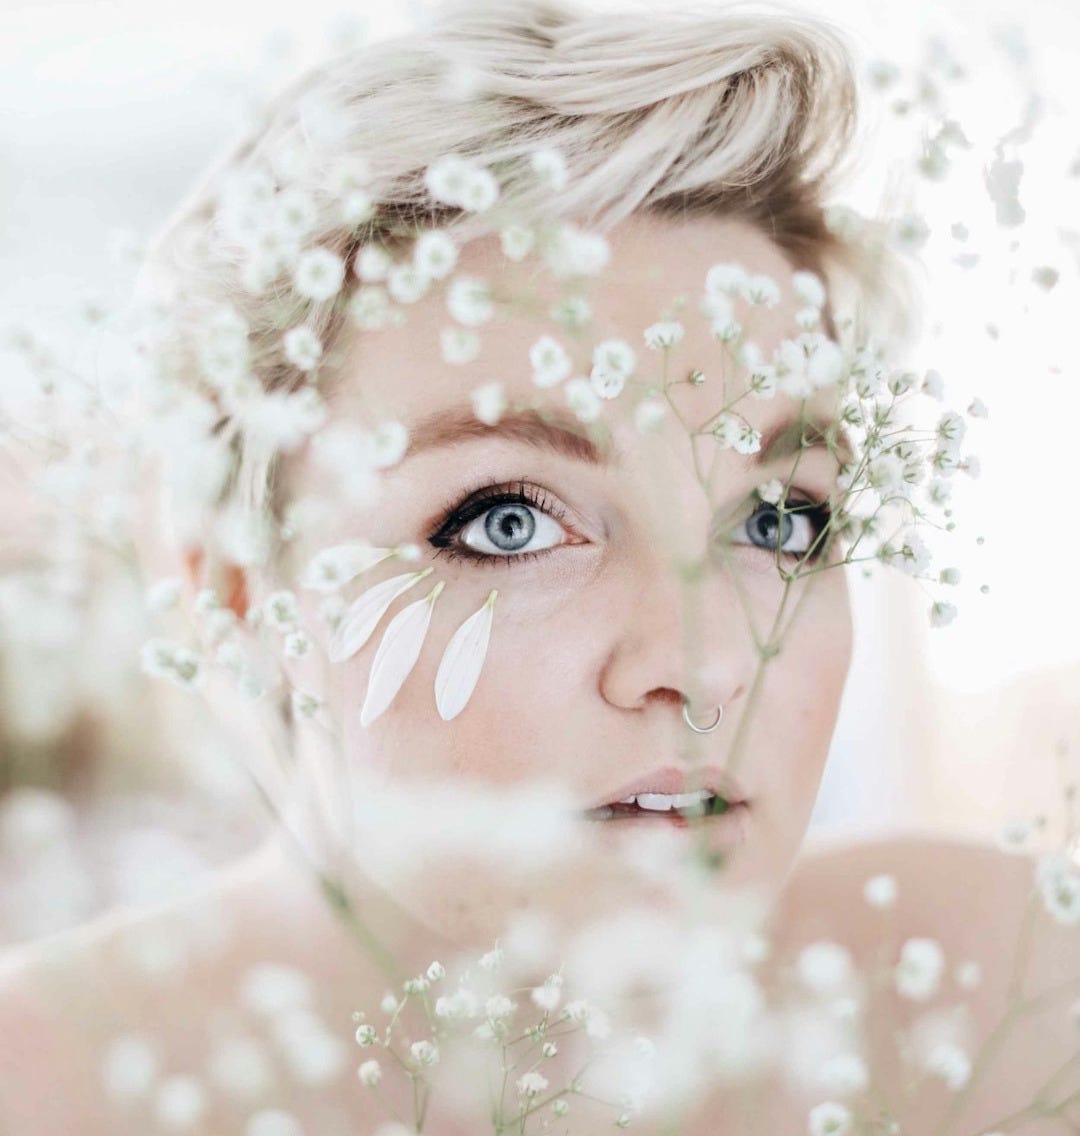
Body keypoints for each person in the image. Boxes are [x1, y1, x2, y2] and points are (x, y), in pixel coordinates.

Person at [0, 1, 1075, 1133]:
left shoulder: (1011, 995)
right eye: (507, 522)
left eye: (777, 520)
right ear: (230, 593)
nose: (706, 663)